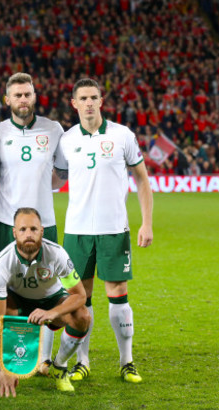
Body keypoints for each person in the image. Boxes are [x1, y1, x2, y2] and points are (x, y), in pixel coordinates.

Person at [55, 78, 153, 383]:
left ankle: (127, 362)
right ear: (74, 103)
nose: (88, 103)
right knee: (79, 300)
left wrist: (146, 223)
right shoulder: (67, 140)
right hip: (77, 231)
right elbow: (56, 179)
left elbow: (141, 178)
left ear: (101, 100)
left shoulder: (122, 135)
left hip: (114, 229)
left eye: (93, 97)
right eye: (82, 98)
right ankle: (82, 362)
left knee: (118, 295)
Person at [0, 72, 66, 385]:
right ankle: (3, 364)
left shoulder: (54, 129)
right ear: (7, 99)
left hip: (44, 222)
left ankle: (45, 361)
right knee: (1, 294)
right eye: (17, 95)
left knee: (47, 288)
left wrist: (39, 195)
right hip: (4, 222)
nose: (23, 99)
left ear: (34, 97)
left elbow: (61, 174)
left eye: (28, 94)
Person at [0, 207, 90, 397]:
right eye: (22, 230)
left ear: (42, 231)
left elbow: (80, 295)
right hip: (16, 302)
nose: (28, 234)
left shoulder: (57, 254)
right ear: (14, 232)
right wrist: (6, 366)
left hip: (52, 301)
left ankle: (59, 367)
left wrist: (53, 313)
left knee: (82, 316)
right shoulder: (1, 262)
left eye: (33, 229)